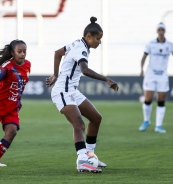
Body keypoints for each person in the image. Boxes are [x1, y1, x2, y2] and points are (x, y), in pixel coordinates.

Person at [46, 17, 119, 173]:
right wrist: (106, 79)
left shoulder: (76, 43)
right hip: (62, 91)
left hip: (71, 90)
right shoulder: (82, 49)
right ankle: (82, 161)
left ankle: (90, 155)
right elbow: (85, 70)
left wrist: (55, 74)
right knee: (79, 124)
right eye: (98, 39)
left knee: (96, 118)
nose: (99, 42)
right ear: (88, 37)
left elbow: (58, 53)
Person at [139, 22, 173, 133]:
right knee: (148, 99)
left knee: (161, 100)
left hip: (162, 75)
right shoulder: (150, 44)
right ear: (157, 31)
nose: (161, 31)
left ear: (165, 31)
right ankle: (146, 120)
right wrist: (141, 69)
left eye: (162, 29)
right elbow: (144, 57)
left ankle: (158, 126)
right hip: (151, 74)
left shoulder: (170, 45)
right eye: (159, 29)